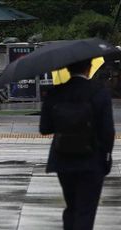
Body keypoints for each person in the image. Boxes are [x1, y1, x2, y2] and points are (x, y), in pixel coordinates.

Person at [40, 59, 115, 230]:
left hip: (63, 158)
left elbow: (45, 128)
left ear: (67, 69)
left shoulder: (55, 93)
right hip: (92, 159)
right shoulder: (99, 92)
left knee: (71, 207)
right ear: (89, 69)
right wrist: (107, 156)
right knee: (86, 210)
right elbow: (107, 132)